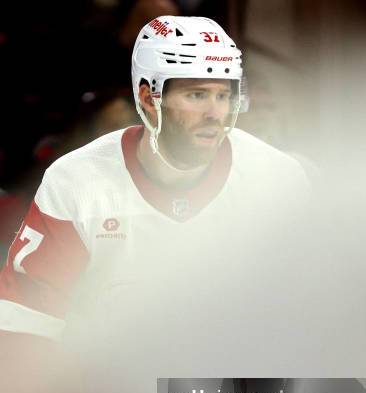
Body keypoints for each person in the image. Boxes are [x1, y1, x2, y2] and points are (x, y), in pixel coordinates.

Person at [0, 15, 309, 345]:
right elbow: (25, 329)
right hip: (106, 388)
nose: (214, 113)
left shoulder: (278, 178)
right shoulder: (77, 182)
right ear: (149, 98)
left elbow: (316, 313)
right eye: (196, 95)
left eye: (223, 96)